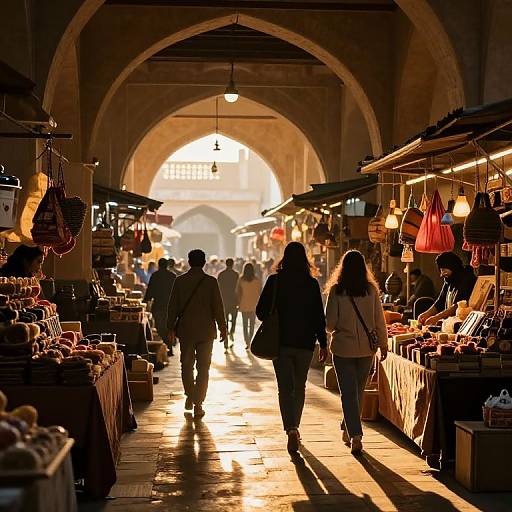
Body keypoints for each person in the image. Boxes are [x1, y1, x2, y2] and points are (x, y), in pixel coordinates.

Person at [256, 242, 328, 454]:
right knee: (300, 387)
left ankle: (291, 429)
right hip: (305, 344)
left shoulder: (274, 281)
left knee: (285, 388)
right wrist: (323, 343)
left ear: (284, 259)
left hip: (280, 343)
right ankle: (295, 426)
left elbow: (260, 312)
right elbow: (318, 317)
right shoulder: (311, 284)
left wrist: (276, 315)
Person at [325, 250, 388, 455]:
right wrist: (384, 344)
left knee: (348, 393)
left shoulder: (336, 291)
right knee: (357, 392)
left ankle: (355, 435)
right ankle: (349, 427)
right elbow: (379, 319)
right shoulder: (370, 290)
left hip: (343, 349)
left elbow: (330, 324)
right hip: (366, 350)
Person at [167, 249, 227, 418]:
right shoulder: (211, 282)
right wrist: (223, 328)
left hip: (186, 331)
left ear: (189, 262)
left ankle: (190, 394)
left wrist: (170, 327)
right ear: (204, 262)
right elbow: (218, 307)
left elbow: (172, 306)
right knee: (203, 368)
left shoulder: (180, 281)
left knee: (186, 365)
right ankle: (198, 402)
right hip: (206, 332)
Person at [417, 252, 477, 326]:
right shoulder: (449, 280)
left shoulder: (468, 279)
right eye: (440, 270)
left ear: (452, 266)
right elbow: (440, 301)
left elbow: (457, 306)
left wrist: (436, 318)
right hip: (448, 324)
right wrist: (426, 314)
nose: (441, 274)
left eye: (443, 269)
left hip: (461, 324)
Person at [144, 258, 176, 355]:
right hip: (171, 306)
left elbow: (150, 289)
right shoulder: (172, 276)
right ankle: (169, 346)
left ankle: (167, 345)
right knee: (169, 327)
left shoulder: (155, 275)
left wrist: (146, 300)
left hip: (158, 305)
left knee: (160, 327)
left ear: (159, 265)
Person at [236, 262, 262, 349]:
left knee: (244, 325)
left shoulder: (241, 280)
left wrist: (238, 303)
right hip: (254, 306)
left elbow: (238, 292)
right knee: (251, 325)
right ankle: (250, 340)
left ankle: (247, 341)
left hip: (244, 305)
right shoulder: (257, 280)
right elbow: (260, 293)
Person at [217, 258, 239, 350]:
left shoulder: (221, 275)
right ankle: (231, 332)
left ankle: (225, 340)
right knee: (233, 320)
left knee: (224, 321)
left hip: (224, 300)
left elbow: (218, 288)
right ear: (233, 264)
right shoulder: (236, 275)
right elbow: (238, 289)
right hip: (233, 300)